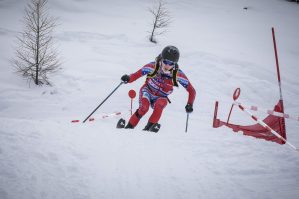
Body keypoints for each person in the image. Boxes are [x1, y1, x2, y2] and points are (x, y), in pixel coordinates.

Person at [120, 45, 196, 131]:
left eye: (171, 63)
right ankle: (128, 128)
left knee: (161, 103)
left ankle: (147, 129)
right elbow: (137, 74)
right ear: (161, 59)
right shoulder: (153, 66)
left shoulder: (177, 74)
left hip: (161, 97)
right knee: (144, 108)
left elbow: (191, 90)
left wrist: (190, 104)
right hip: (147, 91)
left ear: (174, 64)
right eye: (165, 61)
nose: (167, 65)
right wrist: (128, 78)